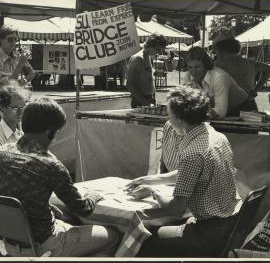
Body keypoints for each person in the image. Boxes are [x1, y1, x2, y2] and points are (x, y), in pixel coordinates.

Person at [125, 85, 242, 257]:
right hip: (232, 223)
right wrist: (148, 180)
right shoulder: (216, 136)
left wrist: (153, 191)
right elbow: (189, 173)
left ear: (180, 119)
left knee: (142, 239)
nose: (169, 122)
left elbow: (176, 209)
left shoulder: (192, 152)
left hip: (211, 233)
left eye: (170, 117)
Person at [0, 97, 120, 257]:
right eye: (57, 131)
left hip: (10, 242)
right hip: (44, 244)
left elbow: (14, 193)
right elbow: (83, 209)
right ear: (49, 131)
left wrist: (45, 207)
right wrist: (93, 196)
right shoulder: (50, 165)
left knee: (64, 217)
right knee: (113, 236)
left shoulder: (3, 152)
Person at [182, 46, 249, 118]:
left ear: (205, 64)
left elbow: (220, 111)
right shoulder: (187, 77)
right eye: (190, 67)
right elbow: (185, 103)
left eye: (197, 67)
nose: (194, 72)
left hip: (242, 109)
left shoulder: (219, 77)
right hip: (217, 110)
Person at [213, 32, 270, 111]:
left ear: (220, 49)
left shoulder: (217, 65)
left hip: (227, 105)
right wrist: (256, 89)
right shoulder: (249, 63)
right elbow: (267, 69)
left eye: (215, 49)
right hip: (249, 104)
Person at [126, 33, 167, 108]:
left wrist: (152, 97)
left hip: (147, 99)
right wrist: (145, 102)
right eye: (157, 49)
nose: (158, 52)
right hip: (140, 101)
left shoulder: (148, 57)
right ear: (150, 45)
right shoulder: (138, 58)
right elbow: (130, 85)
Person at [0, 81, 30, 145]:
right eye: (15, 108)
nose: (20, 112)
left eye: (23, 107)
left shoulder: (22, 132)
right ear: (2, 107)